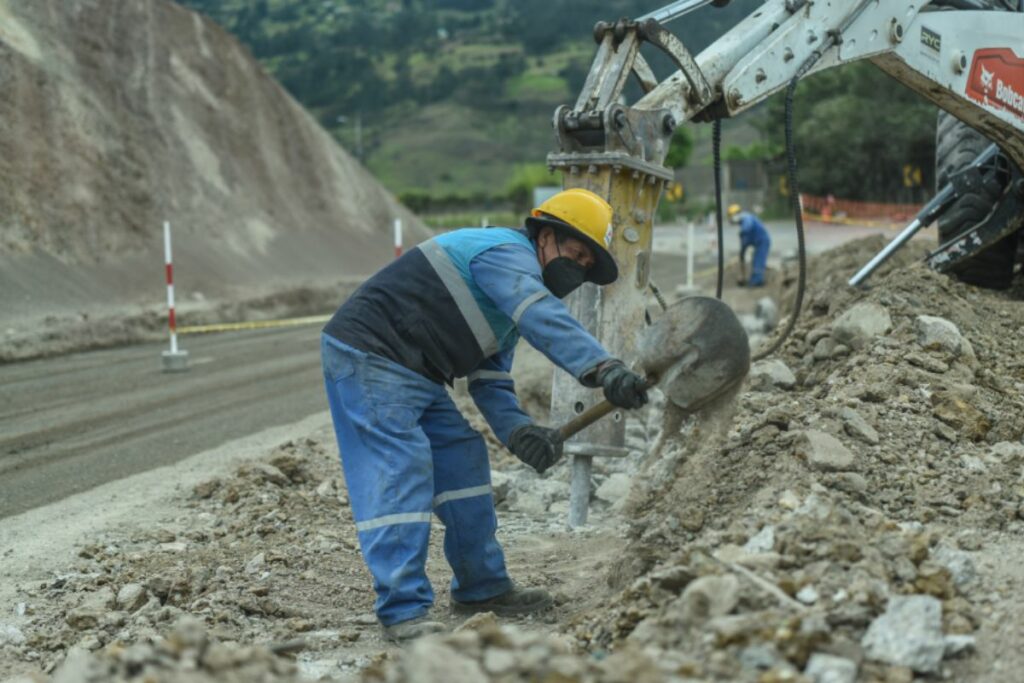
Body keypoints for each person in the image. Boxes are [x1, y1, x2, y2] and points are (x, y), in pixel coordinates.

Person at [320, 188, 649, 642]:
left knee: (463, 459)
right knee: (401, 467)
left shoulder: (505, 307)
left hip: (418, 372)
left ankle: (482, 588)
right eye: (577, 254)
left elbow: (490, 379)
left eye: (588, 266)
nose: (579, 269)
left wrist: (518, 432)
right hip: (371, 354)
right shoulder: (504, 255)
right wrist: (604, 367)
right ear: (547, 236)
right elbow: (542, 317)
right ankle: (402, 610)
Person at [728, 203, 771, 287]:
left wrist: (742, 234)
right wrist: (742, 252)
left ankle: (757, 281)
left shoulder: (746, 218)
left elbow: (748, 228)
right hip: (758, 242)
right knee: (755, 260)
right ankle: (754, 280)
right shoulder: (743, 222)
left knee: (758, 260)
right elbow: (745, 241)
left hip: (762, 241)